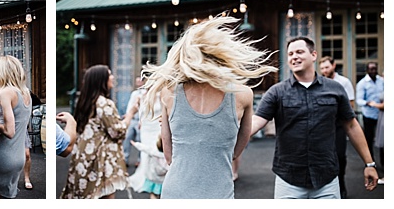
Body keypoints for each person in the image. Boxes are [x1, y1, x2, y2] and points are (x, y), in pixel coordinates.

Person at [141, 16, 273, 199]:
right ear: (222, 54)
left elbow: (169, 155)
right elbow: (235, 152)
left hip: (175, 193)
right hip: (219, 193)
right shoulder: (243, 94)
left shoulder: (169, 93)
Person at [250, 37, 378, 199]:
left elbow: (351, 126)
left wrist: (369, 164)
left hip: (327, 180)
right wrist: (233, 137)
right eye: (290, 54)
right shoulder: (276, 92)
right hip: (288, 180)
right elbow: (256, 121)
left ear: (314, 55)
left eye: (299, 52)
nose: (294, 56)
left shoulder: (335, 89)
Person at [59, 65, 135, 199]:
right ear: (101, 80)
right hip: (102, 159)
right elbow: (117, 132)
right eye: (109, 74)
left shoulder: (85, 102)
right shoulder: (104, 103)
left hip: (84, 157)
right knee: (106, 196)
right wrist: (130, 115)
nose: (112, 77)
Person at [0, 56, 32, 199]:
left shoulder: (5, 93)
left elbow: (10, 131)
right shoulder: (26, 94)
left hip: (2, 155)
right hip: (18, 157)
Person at [319, 56, 356, 198]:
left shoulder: (344, 82)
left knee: (340, 155)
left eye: (327, 67)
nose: (324, 70)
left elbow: (351, 105)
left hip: (339, 124)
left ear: (334, 66)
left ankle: (341, 183)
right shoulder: (320, 82)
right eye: (322, 68)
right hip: (324, 125)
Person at [356, 62, 383, 164]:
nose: (373, 71)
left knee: (383, 139)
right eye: (371, 69)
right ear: (367, 70)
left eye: (375, 69)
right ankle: (371, 162)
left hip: (381, 114)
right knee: (369, 139)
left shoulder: (382, 81)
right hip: (369, 115)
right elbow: (359, 100)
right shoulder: (362, 83)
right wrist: (368, 103)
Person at [122, 76, 144, 166]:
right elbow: (130, 105)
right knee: (127, 138)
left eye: (140, 81)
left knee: (139, 140)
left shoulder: (145, 93)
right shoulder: (134, 93)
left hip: (139, 120)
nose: (138, 82)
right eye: (137, 81)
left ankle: (139, 160)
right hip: (132, 119)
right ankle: (125, 159)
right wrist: (127, 115)